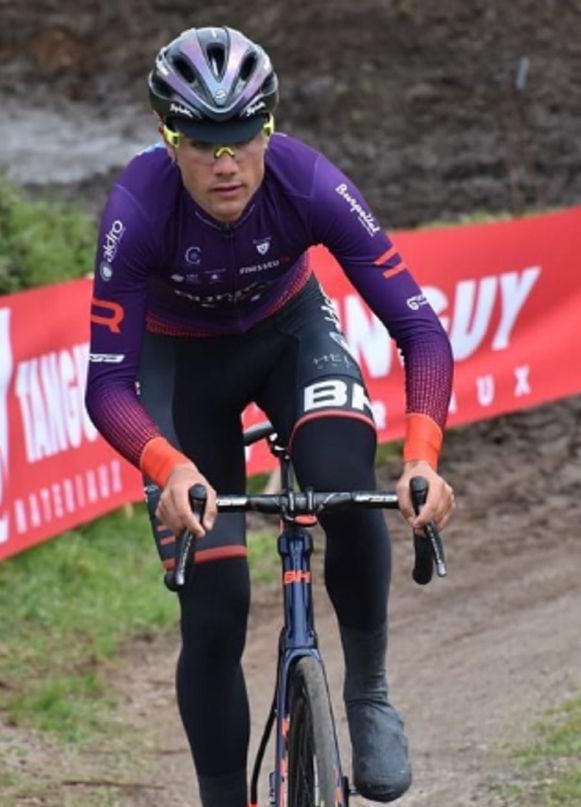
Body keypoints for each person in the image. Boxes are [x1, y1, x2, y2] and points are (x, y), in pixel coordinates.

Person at [84, 25, 455, 807]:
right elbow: (108, 386)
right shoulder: (136, 210)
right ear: (167, 137)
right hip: (182, 374)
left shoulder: (308, 183)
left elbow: (419, 328)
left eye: (243, 136)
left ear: (269, 129)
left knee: (344, 486)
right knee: (214, 610)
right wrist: (169, 465)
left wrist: (421, 455)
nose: (226, 161)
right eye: (203, 141)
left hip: (291, 339)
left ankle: (368, 695)